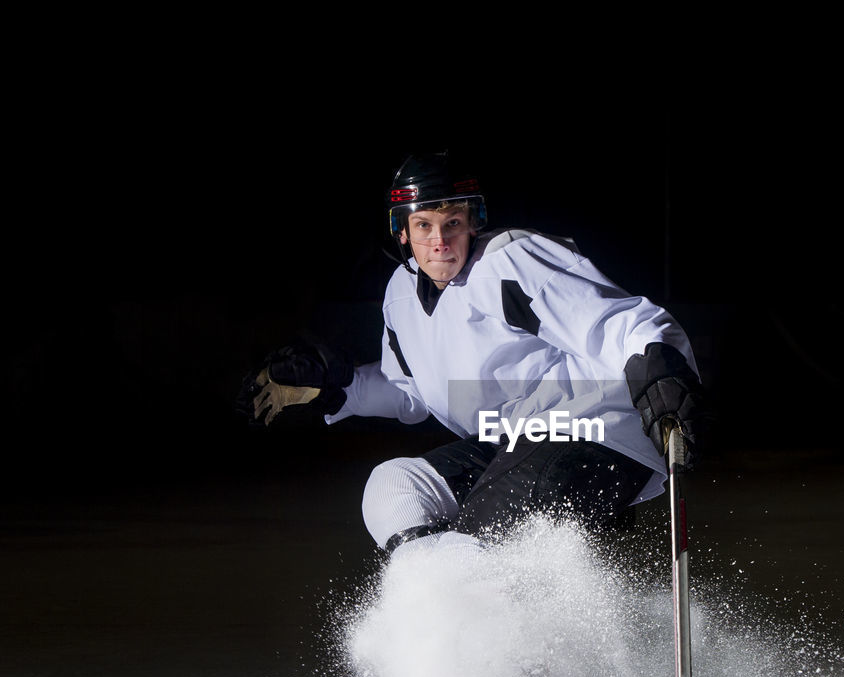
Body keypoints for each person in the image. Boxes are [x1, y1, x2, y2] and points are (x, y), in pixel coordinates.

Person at [239, 151, 704, 552]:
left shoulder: (507, 259)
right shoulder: (400, 294)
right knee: (393, 489)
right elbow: (411, 394)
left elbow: (626, 321)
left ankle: (462, 620)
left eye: (453, 223)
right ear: (402, 231)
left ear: (472, 222)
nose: (440, 240)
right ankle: (443, 628)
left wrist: (661, 372)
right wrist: (340, 391)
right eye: (424, 225)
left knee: (477, 537)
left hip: (594, 430)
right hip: (512, 444)